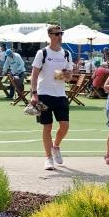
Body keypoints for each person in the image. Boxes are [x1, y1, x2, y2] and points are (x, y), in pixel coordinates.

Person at [30, 26, 74, 171]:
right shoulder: (42, 53)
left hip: (60, 94)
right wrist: (34, 94)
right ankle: (48, 158)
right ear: (50, 35)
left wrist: (67, 75)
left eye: (61, 33)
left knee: (65, 125)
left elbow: (69, 76)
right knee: (47, 126)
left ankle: (56, 146)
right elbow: (34, 75)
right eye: (57, 34)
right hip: (44, 94)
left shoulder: (66, 53)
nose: (60, 36)